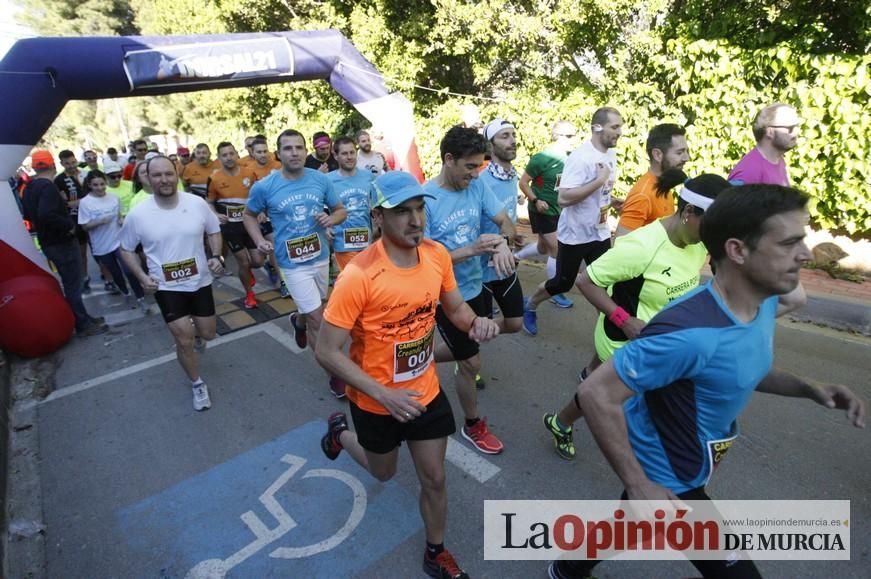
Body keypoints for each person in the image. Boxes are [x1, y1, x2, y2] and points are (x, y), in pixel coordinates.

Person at [547, 184, 864, 579]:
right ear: (737, 251)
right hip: (669, 471)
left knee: (631, 519)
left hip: (691, 461)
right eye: (788, 243)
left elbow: (738, 369)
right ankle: (572, 562)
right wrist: (640, 481)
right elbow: (595, 393)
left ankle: (568, 566)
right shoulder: (689, 333)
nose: (805, 254)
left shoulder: (761, 302)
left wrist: (808, 388)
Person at [317, 171, 499, 579]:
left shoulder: (435, 255)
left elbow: (455, 309)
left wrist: (475, 324)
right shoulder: (359, 276)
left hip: (424, 392)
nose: (415, 219)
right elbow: (326, 351)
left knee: (434, 478)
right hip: (374, 400)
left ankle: (436, 552)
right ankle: (340, 434)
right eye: (402, 211)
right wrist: (382, 394)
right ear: (378, 217)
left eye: (419, 208)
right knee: (383, 472)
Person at [543, 173, 729, 461]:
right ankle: (570, 423)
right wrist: (624, 320)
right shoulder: (642, 247)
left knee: (603, 388)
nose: (714, 235)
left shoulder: (698, 240)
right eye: (712, 225)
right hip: (627, 341)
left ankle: (565, 417)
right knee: (619, 401)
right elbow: (585, 282)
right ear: (689, 212)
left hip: (664, 340)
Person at [424, 125, 516, 454]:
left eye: (479, 166)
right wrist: (472, 250)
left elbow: (504, 220)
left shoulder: (475, 187)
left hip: (476, 286)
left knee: (472, 348)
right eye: (470, 166)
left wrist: (503, 243)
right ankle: (473, 424)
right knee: (471, 362)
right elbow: (426, 261)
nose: (476, 174)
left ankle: (412, 360)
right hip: (447, 295)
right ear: (449, 160)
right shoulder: (427, 199)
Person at [242, 129, 347, 396]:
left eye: (299, 147)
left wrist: (330, 220)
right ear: (279, 154)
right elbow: (249, 215)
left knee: (315, 307)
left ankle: (297, 322)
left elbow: (340, 211)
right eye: (288, 148)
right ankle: (334, 374)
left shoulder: (319, 180)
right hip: (291, 262)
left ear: (305, 150)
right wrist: (258, 240)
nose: (295, 152)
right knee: (317, 318)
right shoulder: (265, 186)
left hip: (320, 256)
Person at [120, 156, 224, 411]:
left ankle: (197, 336)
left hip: (200, 281)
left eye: (168, 174)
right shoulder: (138, 214)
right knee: (183, 339)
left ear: (176, 173)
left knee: (208, 333)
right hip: (166, 287)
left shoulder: (196, 203)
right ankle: (197, 383)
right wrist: (143, 277)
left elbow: (214, 230)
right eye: (157, 175)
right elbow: (126, 249)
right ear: (147, 178)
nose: (164, 180)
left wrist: (217, 256)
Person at [522, 107, 623, 336]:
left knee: (603, 283)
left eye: (620, 127)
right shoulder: (580, 157)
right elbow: (564, 198)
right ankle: (529, 305)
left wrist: (610, 198)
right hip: (576, 234)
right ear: (597, 127)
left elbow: (599, 188)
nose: (620, 132)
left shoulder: (610, 154)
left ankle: (609, 332)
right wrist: (599, 182)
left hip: (600, 232)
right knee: (562, 283)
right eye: (615, 127)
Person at [21, 150, 107, 336]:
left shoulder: (29, 188)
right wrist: (68, 225)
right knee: (72, 285)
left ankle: (83, 317)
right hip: (61, 242)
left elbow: (28, 215)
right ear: (53, 164)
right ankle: (83, 324)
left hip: (48, 242)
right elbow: (46, 214)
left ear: (35, 167)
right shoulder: (47, 187)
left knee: (71, 284)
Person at [516, 120, 577, 309]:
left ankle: (515, 257)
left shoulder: (571, 157)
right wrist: (535, 200)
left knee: (543, 248)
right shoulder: (541, 158)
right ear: (557, 136)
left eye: (573, 135)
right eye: (568, 136)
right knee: (556, 249)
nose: (571, 139)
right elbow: (524, 183)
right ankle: (554, 291)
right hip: (541, 210)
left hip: (559, 209)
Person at [477, 119, 525, 335]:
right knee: (475, 339)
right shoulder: (480, 180)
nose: (513, 140)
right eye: (504, 136)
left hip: (504, 263)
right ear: (490, 144)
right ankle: (464, 359)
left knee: (515, 323)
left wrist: (513, 236)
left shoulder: (511, 175)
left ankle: (470, 332)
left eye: (513, 135)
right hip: (479, 270)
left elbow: (507, 216)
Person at [206, 141, 264, 309]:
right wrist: (216, 214)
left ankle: (248, 274)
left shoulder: (249, 173)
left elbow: (258, 196)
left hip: (249, 223)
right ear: (219, 158)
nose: (229, 157)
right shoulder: (215, 178)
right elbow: (208, 202)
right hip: (230, 227)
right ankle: (249, 294)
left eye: (231, 154)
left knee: (258, 261)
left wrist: (260, 211)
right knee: (243, 262)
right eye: (224, 155)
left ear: (236, 154)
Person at [79, 170, 147, 310]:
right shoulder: (85, 203)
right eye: (95, 185)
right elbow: (84, 226)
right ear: (90, 185)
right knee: (116, 273)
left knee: (129, 270)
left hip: (119, 241)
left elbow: (119, 215)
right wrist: (99, 221)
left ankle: (141, 298)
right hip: (101, 245)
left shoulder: (114, 198)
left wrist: (122, 220)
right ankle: (126, 292)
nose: (100, 188)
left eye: (102, 184)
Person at [615, 123, 690, 237]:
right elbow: (620, 245)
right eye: (679, 152)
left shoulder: (664, 184)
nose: (686, 158)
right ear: (657, 155)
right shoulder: (643, 195)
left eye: (686, 152)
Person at [327, 136, 376, 271]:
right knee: (353, 280)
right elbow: (317, 207)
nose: (349, 157)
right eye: (344, 153)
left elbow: (378, 203)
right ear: (335, 156)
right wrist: (326, 227)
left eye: (352, 152)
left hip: (367, 241)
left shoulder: (368, 177)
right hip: (343, 243)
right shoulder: (328, 180)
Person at [729, 103, 799, 187]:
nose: (796, 132)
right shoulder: (748, 174)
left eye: (797, 126)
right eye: (790, 128)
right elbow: (731, 199)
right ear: (770, 132)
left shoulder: (778, 160)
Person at [54, 149, 92, 292]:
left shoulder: (86, 173)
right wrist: (72, 204)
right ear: (62, 164)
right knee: (81, 252)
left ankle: (107, 277)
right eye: (67, 163)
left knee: (98, 249)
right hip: (75, 218)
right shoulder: (59, 180)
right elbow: (62, 203)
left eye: (73, 162)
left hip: (93, 216)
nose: (71, 165)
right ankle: (84, 277)